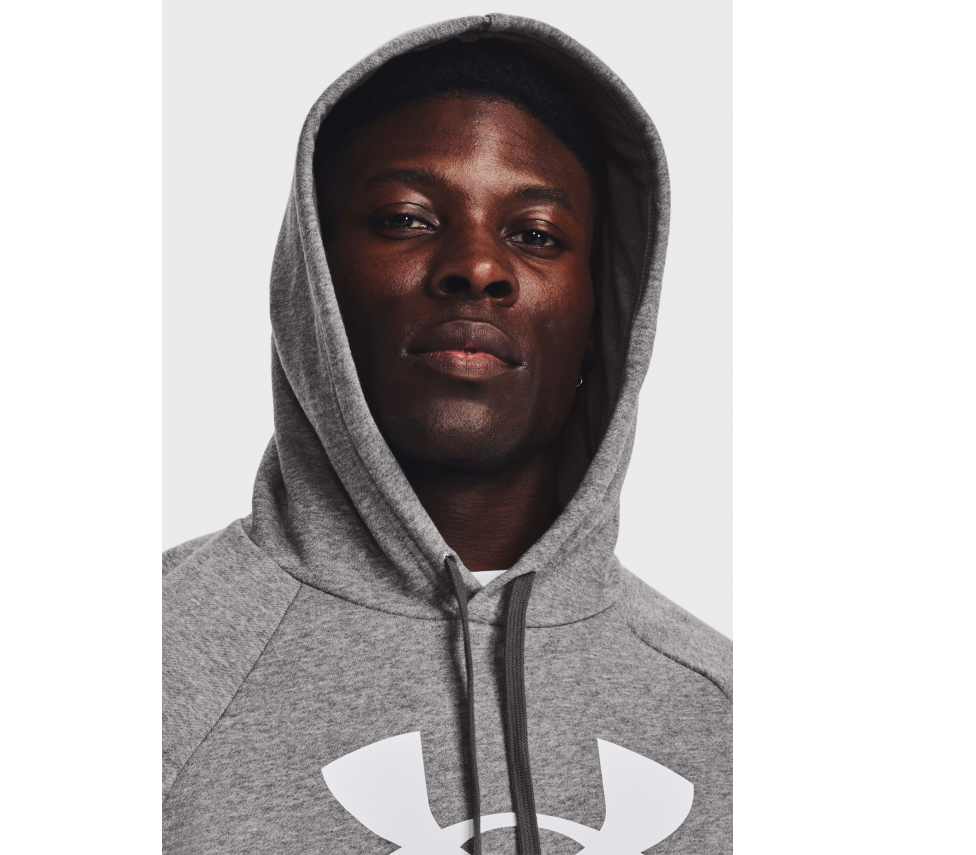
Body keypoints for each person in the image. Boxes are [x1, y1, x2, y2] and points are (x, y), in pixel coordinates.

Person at [163, 15, 731, 855]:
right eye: (406, 218)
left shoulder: (723, 715)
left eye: (535, 234)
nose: (479, 266)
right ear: (315, 286)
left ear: (602, 316)